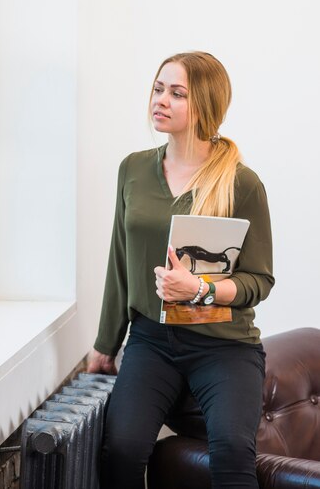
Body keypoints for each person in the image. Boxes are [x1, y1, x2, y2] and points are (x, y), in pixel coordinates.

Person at [87, 51, 274, 489]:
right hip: (151, 340)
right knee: (123, 450)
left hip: (225, 345)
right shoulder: (132, 169)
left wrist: (200, 290)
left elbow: (259, 281)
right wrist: (105, 344)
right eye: (158, 89)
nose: (161, 100)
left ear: (204, 104)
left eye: (177, 93)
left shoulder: (241, 183)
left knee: (231, 452)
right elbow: (119, 260)